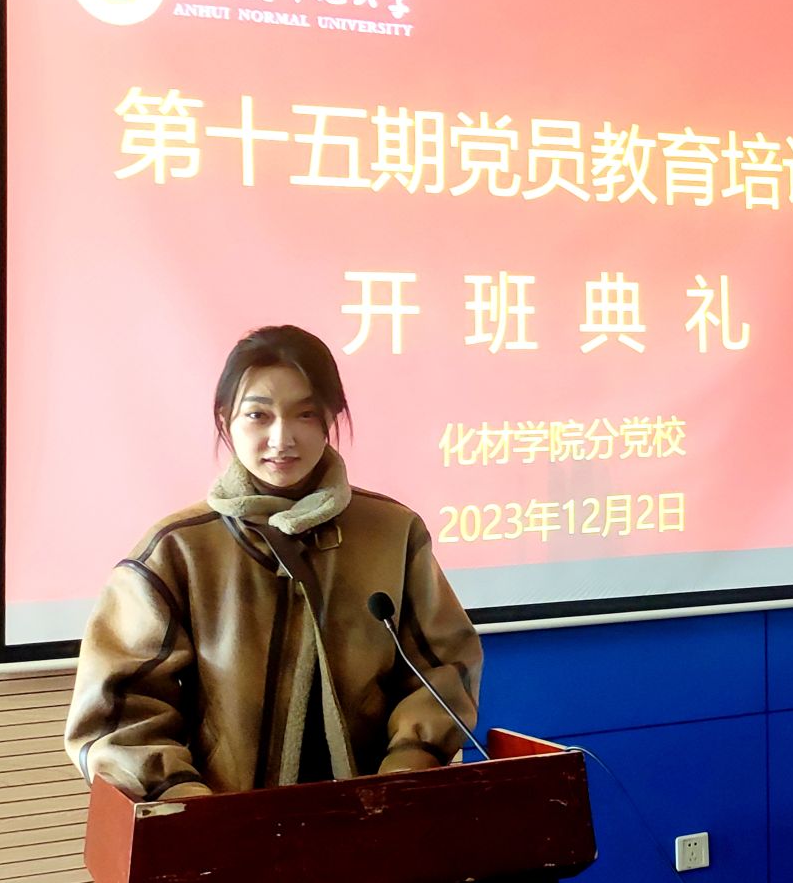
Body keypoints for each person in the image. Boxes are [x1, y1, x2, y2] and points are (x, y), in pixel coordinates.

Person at [64, 324, 482, 801]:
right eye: (258, 415)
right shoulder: (176, 549)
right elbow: (118, 713)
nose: (282, 438)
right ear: (225, 419)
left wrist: (404, 772)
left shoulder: (392, 532)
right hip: (227, 825)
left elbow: (444, 666)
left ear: (330, 417)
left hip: (375, 815)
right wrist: (192, 807)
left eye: (305, 414)